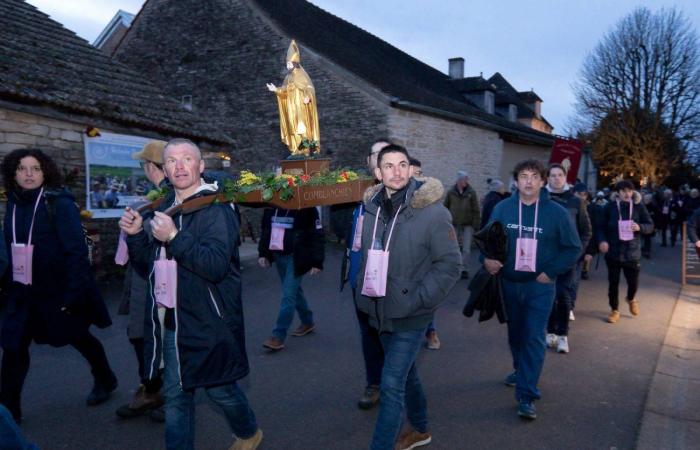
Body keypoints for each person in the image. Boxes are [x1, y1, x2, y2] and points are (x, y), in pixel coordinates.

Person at [120, 138, 262, 450]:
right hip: (171, 318)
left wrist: (173, 236)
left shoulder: (215, 209)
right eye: (172, 160)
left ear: (199, 167)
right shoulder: (163, 208)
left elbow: (214, 266)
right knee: (176, 398)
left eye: (187, 159)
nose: (179, 165)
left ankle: (249, 430)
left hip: (208, 320)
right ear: (165, 169)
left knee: (219, 390)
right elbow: (149, 267)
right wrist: (134, 237)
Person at [356, 144, 461, 450]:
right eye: (388, 166)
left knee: (390, 386)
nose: (397, 171)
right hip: (379, 311)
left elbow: (451, 265)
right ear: (378, 173)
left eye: (402, 164)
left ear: (411, 168)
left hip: (412, 314)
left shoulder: (433, 212)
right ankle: (422, 429)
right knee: (407, 373)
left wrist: (418, 300)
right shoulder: (371, 208)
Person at [0, 148, 115, 424]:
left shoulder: (58, 203)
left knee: (78, 336)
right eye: (22, 168)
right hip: (22, 291)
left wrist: (73, 295)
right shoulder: (13, 203)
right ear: (13, 173)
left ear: (45, 172)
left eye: (35, 168)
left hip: (57, 291)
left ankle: (105, 378)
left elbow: (76, 252)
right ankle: (8, 413)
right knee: (14, 348)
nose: (28, 174)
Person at [483, 159, 580, 420]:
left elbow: (573, 248)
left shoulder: (556, 213)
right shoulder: (503, 208)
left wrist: (550, 272)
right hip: (509, 284)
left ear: (542, 181)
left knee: (535, 337)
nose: (528, 181)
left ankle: (526, 395)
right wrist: (488, 259)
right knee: (516, 336)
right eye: (523, 176)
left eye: (534, 176)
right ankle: (522, 370)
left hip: (540, 286)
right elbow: (488, 239)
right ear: (516, 181)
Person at [115, 140, 168, 421]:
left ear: (150, 167)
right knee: (139, 335)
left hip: (155, 279)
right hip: (139, 276)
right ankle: (151, 388)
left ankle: (164, 392)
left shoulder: (166, 201)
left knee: (155, 336)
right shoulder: (147, 199)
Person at [344, 138, 389, 410]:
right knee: (369, 335)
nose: (381, 158)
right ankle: (374, 383)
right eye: (376, 154)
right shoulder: (355, 194)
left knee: (394, 336)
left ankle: (397, 384)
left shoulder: (403, 195)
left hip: (392, 281)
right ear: (369, 162)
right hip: (360, 280)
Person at [258, 206, 325, 351]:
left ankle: (278, 336)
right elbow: (265, 229)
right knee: (294, 292)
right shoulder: (270, 206)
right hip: (278, 255)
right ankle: (307, 321)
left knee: (288, 296)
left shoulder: (306, 207)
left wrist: (317, 261)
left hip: (296, 258)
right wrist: (263, 253)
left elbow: (317, 234)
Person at [544, 167, 591, 354]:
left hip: (568, 258)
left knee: (563, 295)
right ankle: (550, 332)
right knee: (548, 295)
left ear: (565, 178)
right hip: (546, 257)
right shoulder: (541, 199)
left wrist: (578, 253)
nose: (556, 179)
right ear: (548, 178)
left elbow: (586, 231)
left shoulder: (576, 201)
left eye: (560, 175)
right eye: (553, 175)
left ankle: (563, 334)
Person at [596, 180, 654, 324]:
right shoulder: (609, 207)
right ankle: (614, 310)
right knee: (613, 283)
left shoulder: (639, 207)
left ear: (633, 192)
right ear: (618, 193)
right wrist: (602, 241)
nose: (627, 194)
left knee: (633, 283)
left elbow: (650, 226)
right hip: (613, 252)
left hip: (632, 253)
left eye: (629, 191)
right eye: (623, 191)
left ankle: (631, 298)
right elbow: (600, 227)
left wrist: (640, 227)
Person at [266, 40, 320, 156]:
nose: (287, 66)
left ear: (295, 63)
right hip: (291, 108)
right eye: (287, 64)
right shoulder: (287, 77)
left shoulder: (302, 75)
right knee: (293, 128)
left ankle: (305, 150)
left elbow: (310, 88)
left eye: (289, 63)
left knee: (302, 128)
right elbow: (284, 91)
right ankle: (296, 150)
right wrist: (275, 89)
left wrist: (307, 97)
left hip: (300, 108)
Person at [409, 157, 441, 351]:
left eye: (419, 173)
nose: (415, 178)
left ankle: (431, 330)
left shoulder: (430, 201)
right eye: (411, 173)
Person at [444, 171, 480, 279]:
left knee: (466, 248)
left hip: (467, 225)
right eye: (464, 179)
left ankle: (463, 268)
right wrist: (444, 222)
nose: (466, 181)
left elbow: (476, 209)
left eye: (467, 179)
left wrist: (476, 224)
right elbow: (445, 207)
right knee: (452, 247)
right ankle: (451, 267)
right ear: (459, 180)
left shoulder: (471, 192)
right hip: (453, 224)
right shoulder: (451, 192)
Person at [642, 193, 659, 259]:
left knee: (647, 238)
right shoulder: (642, 206)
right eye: (645, 199)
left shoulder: (654, 207)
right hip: (642, 225)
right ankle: (644, 248)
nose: (646, 200)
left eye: (648, 199)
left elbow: (657, 217)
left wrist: (656, 227)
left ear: (651, 199)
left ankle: (647, 251)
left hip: (650, 225)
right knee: (643, 238)